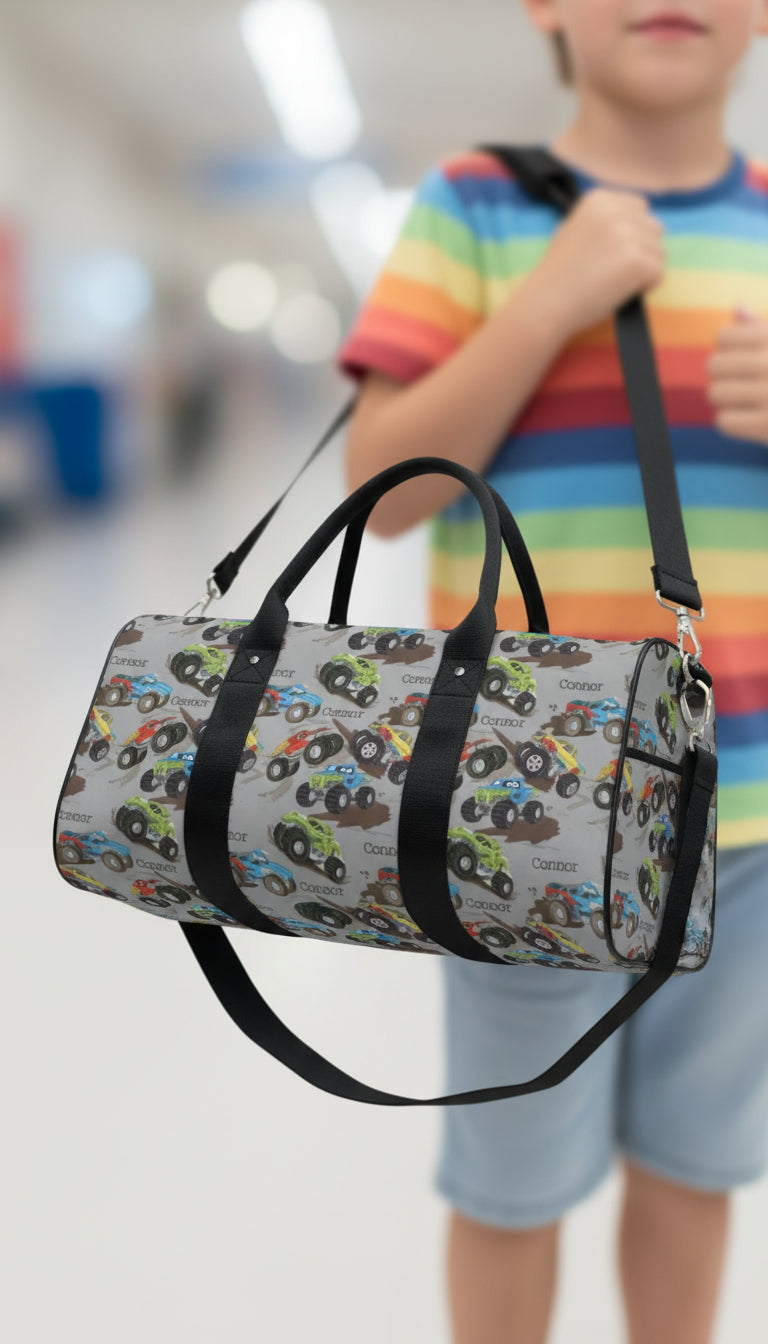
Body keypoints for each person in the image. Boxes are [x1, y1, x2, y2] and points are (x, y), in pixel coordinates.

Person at [334, 2, 768, 1341]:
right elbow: (379, 488)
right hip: (520, 804)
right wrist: (549, 303)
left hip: (750, 802)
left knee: (699, 1165)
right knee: (513, 1180)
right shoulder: (477, 205)